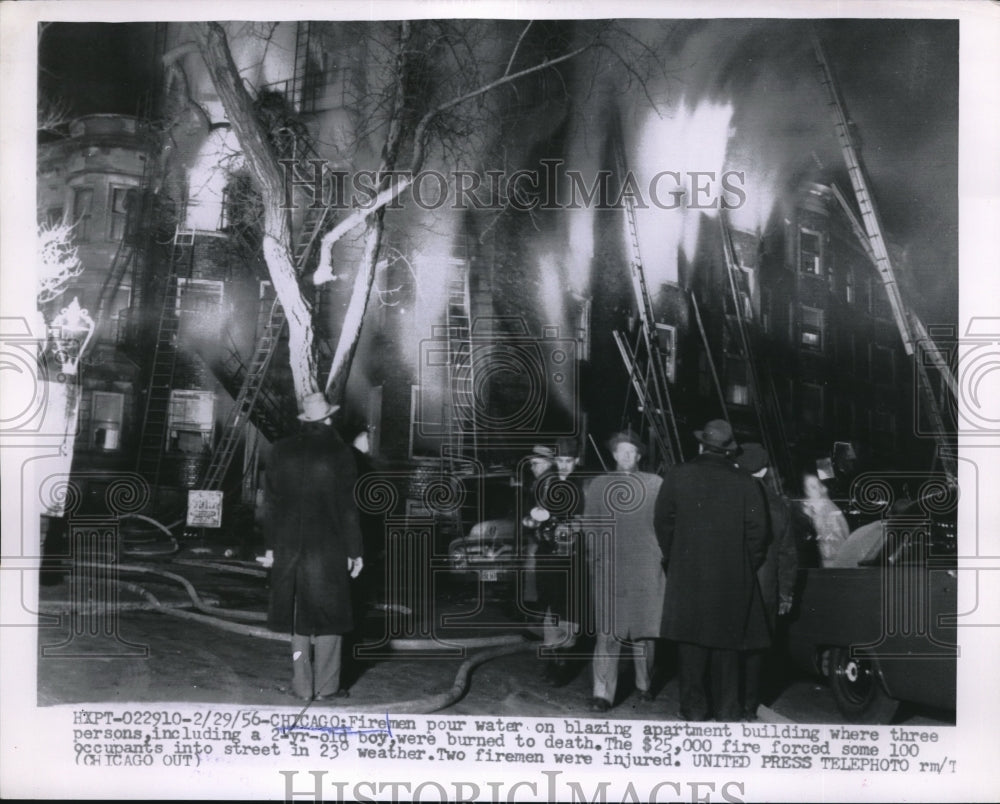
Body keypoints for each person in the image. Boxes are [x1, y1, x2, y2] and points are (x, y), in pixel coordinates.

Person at [654, 419, 768, 722]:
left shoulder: (678, 475)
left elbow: (663, 522)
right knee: (727, 647)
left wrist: (674, 556)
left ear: (701, 445)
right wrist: (745, 563)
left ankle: (693, 710)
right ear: (729, 450)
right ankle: (727, 711)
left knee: (690, 645)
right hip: (731, 578)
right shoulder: (745, 481)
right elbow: (759, 532)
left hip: (688, 573)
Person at [259, 392, 364, 701]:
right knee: (331, 616)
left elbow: (270, 506)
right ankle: (327, 687)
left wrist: (269, 548)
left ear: (305, 419)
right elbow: (348, 509)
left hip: (289, 547)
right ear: (329, 418)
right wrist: (355, 551)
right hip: (330, 548)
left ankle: (302, 686)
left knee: (297, 617)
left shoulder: (280, 451)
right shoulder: (342, 453)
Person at [585, 430, 664, 712]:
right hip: (610, 568)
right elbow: (591, 526)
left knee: (644, 632)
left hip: (645, 569)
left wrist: (660, 557)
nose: (626, 456)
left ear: (639, 456)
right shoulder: (598, 485)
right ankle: (602, 694)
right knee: (609, 632)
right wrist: (595, 560)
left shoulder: (655, 484)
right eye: (621, 451)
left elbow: (666, 525)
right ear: (614, 454)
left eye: (632, 451)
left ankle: (644, 686)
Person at [734, 443, 798, 721]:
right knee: (757, 649)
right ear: (764, 470)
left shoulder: (731, 498)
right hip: (767, 588)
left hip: (733, 584)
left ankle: (728, 702)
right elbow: (787, 553)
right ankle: (750, 706)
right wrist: (786, 593)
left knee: (729, 645)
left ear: (737, 467)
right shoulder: (779, 504)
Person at [533, 437, 586, 685]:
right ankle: (552, 659)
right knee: (551, 608)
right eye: (560, 461)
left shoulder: (584, 486)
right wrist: (535, 524)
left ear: (576, 461)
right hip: (548, 556)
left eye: (569, 461)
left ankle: (564, 659)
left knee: (569, 609)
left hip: (573, 559)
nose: (564, 466)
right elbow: (534, 516)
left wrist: (578, 526)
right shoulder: (546, 484)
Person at [516, 445, 556, 612]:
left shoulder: (547, 482)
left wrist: (530, 521)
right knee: (536, 580)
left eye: (535, 463)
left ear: (547, 463)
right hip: (541, 539)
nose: (532, 468)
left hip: (545, 541)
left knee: (541, 581)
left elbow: (543, 511)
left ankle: (540, 618)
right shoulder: (541, 482)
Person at [801, 472, 849, 568]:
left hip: (831, 560)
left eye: (817, 485)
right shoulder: (804, 509)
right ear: (805, 491)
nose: (817, 489)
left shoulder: (829, 510)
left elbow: (840, 539)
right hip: (818, 561)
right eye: (812, 487)